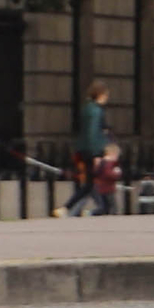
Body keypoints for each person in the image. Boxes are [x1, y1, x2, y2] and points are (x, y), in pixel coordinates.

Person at [64, 82, 109, 217]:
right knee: (95, 182)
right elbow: (93, 132)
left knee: (90, 183)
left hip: (84, 150)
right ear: (100, 95)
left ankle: (97, 209)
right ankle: (99, 209)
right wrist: (96, 154)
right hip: (92, 151)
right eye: (106, 95)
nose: (107, 98)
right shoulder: (96, 111)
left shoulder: (86, 109)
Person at [87, 142, 123, 217]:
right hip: (107, 187)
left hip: (100, 187)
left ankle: (91, 213)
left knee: (104, 207)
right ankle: (91, 213)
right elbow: (108, 174)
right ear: (112, 154)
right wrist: (117, 174)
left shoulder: (102, 162)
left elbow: (97, 172)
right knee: (112, 206)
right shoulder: (109, 163)